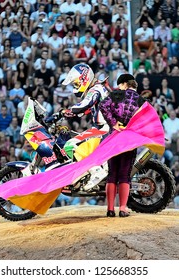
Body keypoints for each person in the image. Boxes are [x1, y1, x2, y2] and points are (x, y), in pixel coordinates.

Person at [99, 74, 147, 217]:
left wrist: (114, 123)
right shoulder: (141, 100)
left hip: (114, 137)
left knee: (112, 173)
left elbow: (102, 106)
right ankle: (123, 208)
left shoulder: (116, 95)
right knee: (124, 175)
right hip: (129, 140)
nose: (119, 87)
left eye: (120, 84)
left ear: (125, 84)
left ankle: (110, 209)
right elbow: (146, 120)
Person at [60, 63, 111, 191]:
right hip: (106, 128)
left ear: (84, 78)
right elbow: (86, 109)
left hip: (104, 129)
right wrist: (60, 114)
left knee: (70, 145)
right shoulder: (97, 88)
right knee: (78, 139)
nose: (76, 87)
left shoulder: (96, 89)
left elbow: (84, 104)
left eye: (76, 83)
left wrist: (65, 111)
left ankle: (97, 171)